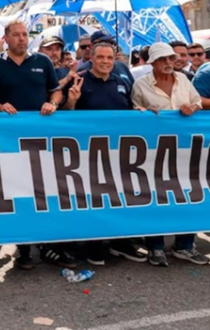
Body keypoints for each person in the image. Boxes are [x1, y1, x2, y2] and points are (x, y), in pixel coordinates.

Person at [0, 20, 68, 270]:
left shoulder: (42, 62)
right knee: (19, 193)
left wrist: (52, 103)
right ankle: (24, 248)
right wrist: (0, 107)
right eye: (16, 35)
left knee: (45, 191)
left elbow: (55, 92)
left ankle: (48, 244)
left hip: (42, 137)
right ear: (6, 38)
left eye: (24, 35)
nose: (21, 39)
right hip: (10, 140)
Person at [61, 42, 148, 266]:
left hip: (118, 152)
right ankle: (94, 246)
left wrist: (137, 111)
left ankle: (121, 242)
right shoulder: (78, 81)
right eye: (101, 58)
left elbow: (128, 108)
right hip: (87, 153)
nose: (106, 62)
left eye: (110, 58)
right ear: (91, 58)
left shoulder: (121, 82)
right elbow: (63, 117)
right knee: (93, 199)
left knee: (120, 197)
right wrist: (71, 101)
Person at [130, 42, 206, 267]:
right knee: (156, 197)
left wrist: (193, 108)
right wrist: (141, 113)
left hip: (186, 150)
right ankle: (155, 247)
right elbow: (133, 111)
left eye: (170, 59)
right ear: (152, 62)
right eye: (162, 59)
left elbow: (197, 102)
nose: (168, 63)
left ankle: (185, 245)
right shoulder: (141, 85)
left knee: (188, 194)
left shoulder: (184, 80)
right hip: (154, 152)